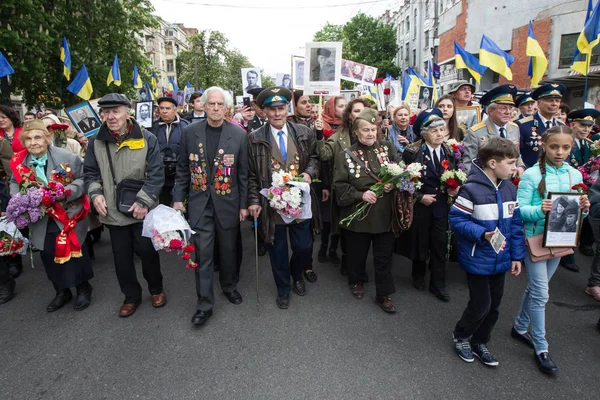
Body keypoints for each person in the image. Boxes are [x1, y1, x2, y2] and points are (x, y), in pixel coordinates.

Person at [511, 125, 589, 374]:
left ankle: (520, 326)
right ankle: (541, 347)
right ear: (544, 146)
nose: (560, 152)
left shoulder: (575, 176)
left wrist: (584, 207)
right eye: (554, 146)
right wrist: (540, 209)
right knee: (541, 294)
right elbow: (518, 210)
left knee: (536, 289)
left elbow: (578, 213)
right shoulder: (531, 175)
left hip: (561, 240)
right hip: (534, 240)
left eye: (565, 147)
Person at [83, 93, 165, 318]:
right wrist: (96, 194)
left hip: (142, 209)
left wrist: (144, 201)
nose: (110, 116)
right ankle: (131, 296)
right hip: (112, 210)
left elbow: (157, 174)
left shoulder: (148, 138)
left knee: (147, 252)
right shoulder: (95, 141)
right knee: (121, 257)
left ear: (128, 112)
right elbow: (90, 173)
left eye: (115, 111)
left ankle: (156, 289)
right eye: (106, 112)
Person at [172, 87, 249, 326]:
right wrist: (177, 198)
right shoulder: (189, 132)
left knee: (227, 252)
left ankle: (228, 286)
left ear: (226, 108)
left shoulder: (238, 135)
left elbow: (243, 174)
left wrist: (244, 205)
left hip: (228, 202)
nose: (215, 108)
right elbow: (182, 169)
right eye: (211, 104)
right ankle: (204, 304)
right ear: (203, 106)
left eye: (220, 105)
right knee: (203, 255)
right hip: (199, 203)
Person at [450, 136, 525, 367]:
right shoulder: (470, 190)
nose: (515, 168)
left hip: (501, 259)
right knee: (481, 304)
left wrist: (517, 256)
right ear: (493, 163)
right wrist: (482, 233)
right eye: (511, 163)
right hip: (477, 258)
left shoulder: (510, 189)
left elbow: (515, 225)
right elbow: (457, 220)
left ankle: (480, 341)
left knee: (494, 306)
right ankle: (462, 335)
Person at [247, 87, 319, 309]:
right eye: (272, 109)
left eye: (281, 108)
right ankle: (283, 288)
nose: (277, 113)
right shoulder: (254, 138)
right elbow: (251, 174)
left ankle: (296, 274)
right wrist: (253, 201)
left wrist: (309, 173)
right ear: (265, 111)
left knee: (303, 246)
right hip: (273, 204)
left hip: (299, 201)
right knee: (277, 250)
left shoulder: (304, 132)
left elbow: (314, 158)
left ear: (287, 109)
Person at [10, 120, 94, 312]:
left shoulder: (65, 156)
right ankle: (61, 291)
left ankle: (83, 288)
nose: (33, 142)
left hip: (67, 212)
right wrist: (21, 198)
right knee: (49, 254)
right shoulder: (19, 163)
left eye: (37, 137)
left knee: (73, 250)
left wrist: (66, 190)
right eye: (28, 139)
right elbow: (15, 183)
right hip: (41, 218)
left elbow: (83, 178)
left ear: (47, 138)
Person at [333, 108, 403, 313]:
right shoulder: (345, 155)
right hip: (359, 214)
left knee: (384, 256)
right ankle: (356, 281)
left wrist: (394, 183)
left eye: (374, 129)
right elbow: (339, 184)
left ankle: (384, 294)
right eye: (366, 130)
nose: (371, 134)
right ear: (356, 132)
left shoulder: (387, 147)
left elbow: (401, 171)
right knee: (357, 252)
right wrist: (359, 195)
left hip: (384, 214)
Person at [402, 108, 459, 301]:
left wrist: (454, 188)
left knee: (440, 244)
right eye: (435, 131)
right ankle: (418, 274)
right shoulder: (413, 151)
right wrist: (419, 197)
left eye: (442, 129)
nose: (440, 134)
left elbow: (455, 174)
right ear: (425, 133)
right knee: (420, 241)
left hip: (441, 205)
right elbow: (403, 181)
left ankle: (438, 284)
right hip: (421, 205)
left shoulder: (449, 151)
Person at [319, 98, 371, 270]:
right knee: (347, 228)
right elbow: (325, 155)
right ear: (349, 115)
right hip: (347, 191)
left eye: (363, 111)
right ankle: (347, 263)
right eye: (356, 111)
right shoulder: (340, 135)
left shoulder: (374, 134)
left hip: (368, 192)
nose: (360, 114)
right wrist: (319, 134)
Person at [289, 90, 324, 282]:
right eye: (304, 102)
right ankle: (294, 269)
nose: (309, 105)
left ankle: (307, 265)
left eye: (310, 101)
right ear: (294, 105)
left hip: (311, 182)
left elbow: (321, 156)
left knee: (307, 228)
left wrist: (319, 132)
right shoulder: (289, 125)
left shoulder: (316, 123)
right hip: (289, 183)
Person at [560, 108, 600, 271]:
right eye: (582, 125)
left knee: (581, 219)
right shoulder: (565, 143)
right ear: (572, 124)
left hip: (586, 188)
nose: (586, 129)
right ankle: (566, 255)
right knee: (568, 219)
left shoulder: (591, 145)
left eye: (589, 126)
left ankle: (581, 245)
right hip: (567, 184)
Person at [462, 84, 525, 174]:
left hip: (510, 181)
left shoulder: (514, 128)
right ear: (490, 111)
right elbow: (469, 164)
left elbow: (517, 154)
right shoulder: (475, 133)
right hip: (486, 182)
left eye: (511, 108)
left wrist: (520, 166)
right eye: (503, 108)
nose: (508, 112)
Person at [150, 96, 189, 206]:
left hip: (179, 176)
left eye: (167, 108)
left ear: (175, 110)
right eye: (161, 108)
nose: (164, 111)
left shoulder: (185, 126)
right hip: (159, 177)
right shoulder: (153, 127)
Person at [516, 83, 567, 168]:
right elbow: (517, 153)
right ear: (539, 103)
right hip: (531, 174)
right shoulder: (522, 125)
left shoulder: (561, 126)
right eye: (550, 100)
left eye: (557, 101)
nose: (554, 104)